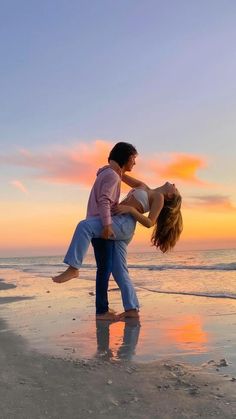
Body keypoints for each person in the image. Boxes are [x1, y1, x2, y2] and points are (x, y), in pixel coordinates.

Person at [52, 141, 140, 320]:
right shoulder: (112, 176)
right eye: (133, 158)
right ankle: (74, 268)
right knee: (103, 267)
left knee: (104, 269)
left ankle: (102, 311)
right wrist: (107, 225)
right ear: (125, 157)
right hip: (101, 224)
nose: (134, 163)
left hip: (99, 224)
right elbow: (104, 201)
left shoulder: (108, 173)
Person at [91, 175, 183, 319]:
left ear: (170, 195)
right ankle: (132, 309)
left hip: (124, 225)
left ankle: (127, 308)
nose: (174, 184)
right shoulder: (145, 187)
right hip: (121, 224)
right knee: (119, 270)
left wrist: (130, 210)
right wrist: (107, 170)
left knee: (116, 267)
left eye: (175, 189)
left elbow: (150, 222)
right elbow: (119, 175)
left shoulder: (159, 197)